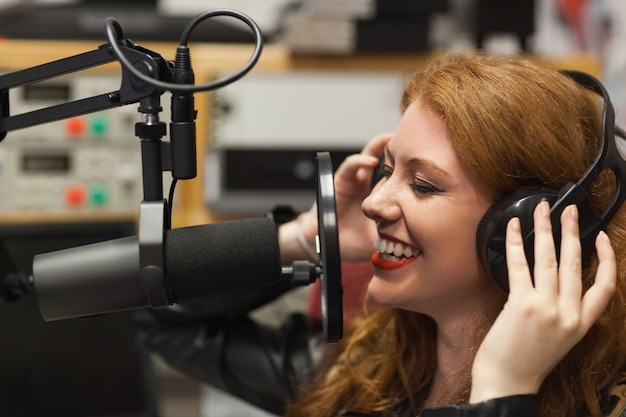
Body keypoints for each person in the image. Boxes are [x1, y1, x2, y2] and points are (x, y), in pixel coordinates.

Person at [136, 51, 626, 417]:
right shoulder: (368, 367)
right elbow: (165, 320)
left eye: (423, 184)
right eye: (387, 170)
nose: (372, 202)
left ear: (527, 224)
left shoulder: (604, 401)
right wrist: (308, 236)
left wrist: (503, 390)